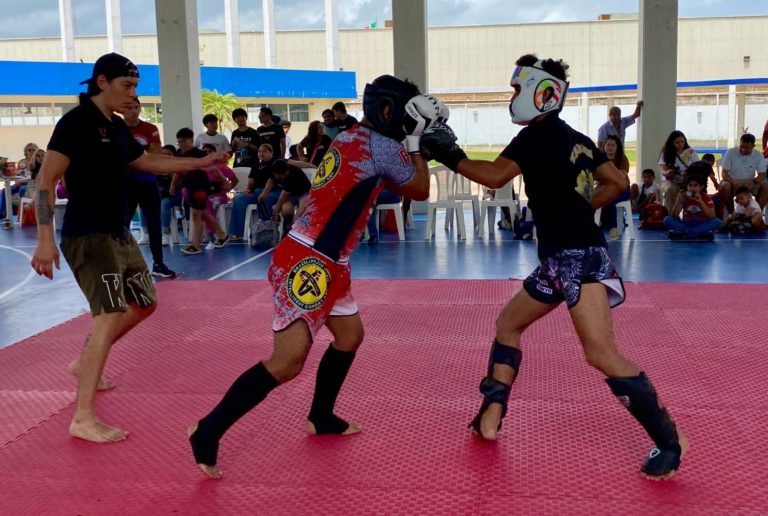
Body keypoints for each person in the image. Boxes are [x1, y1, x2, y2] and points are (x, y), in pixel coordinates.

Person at [420, 54, 687, 480]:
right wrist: (581, 207)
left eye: (516, 88)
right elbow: (618, 182)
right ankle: (491, 415)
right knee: (508, 324)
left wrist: (449, 154)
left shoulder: (535, 136)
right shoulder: (578, 139)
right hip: (559, 261)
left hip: (576, 257)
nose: (512, 96)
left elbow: (494, 176)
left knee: (600, 354)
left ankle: (670, 441)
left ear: (541, 93)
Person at [188, 75, 437, 479]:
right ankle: (208, 430)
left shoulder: (349, 137)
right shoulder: (382, 147)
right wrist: (418, 143)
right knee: (286, 363)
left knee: (350, 336)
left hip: (328, 259)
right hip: (309, 261)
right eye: (408, 115)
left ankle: (320, 416)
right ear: (389, 112)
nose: (409, 123)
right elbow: (421, 189)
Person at [29, 52, 229, 444]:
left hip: (118, 233)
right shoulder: (76, 123)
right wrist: (44, 239)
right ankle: (83, 418)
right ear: (102, 82)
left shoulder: (116, 126)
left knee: (145, 302)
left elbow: (147, 162)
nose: (133, 94)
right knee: (108, 314)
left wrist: (199, 163)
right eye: (127, 85)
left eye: (135, 86)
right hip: (89, 237)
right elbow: (45, 181)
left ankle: (85, 361)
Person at [122, 97, 175, 279]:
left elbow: (155, 154)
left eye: (136, 107)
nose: (133, 111)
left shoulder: (150, 129)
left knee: (154, 224)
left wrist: (135, 157)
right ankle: (121, 264)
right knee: (123, 224)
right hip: (126, 184)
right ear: (123, 109)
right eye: (129, 107)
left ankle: (158, 263)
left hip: (147, 182)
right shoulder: (116, 129)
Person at [228, 143, 279, 240]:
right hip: (256, 192)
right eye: (259, 151)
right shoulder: (255, 166)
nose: (261, 153)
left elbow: (293, 164)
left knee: (265, 199)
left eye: (264, 151)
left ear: (271, 153)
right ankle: (238, 233)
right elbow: (251, 182)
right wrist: (248, 190)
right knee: (239, 200)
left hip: (272, 192)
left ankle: (265, 231)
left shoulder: (276, 163)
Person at [663, 165, 721, 240]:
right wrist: (678, 201)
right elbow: (674, 215)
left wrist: (701, 202)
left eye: (695, 185)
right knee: (667, 219)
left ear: (701, 187)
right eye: (690, 185)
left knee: (717, 222)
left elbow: (712, 217)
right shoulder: (684, 196)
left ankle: (685, 234)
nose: (692, 188)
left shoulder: (706, 198)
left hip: (701, 224)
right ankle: (698, 234)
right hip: (686, 224)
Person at [257, 159, 310, 236]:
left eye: (284, 174)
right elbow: (271, 180)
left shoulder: (294, 173)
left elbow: (283, 196)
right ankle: (287, 227)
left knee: (302, 209)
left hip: (303, 193)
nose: (285, 174)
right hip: (291, 195)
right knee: (286, 209)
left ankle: (295, 229)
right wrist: (264, 193)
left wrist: (276, 212)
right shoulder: (275, 169)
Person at [719, 133, 768, 215]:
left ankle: (755, 214)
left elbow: (762, 176)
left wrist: (753, 182)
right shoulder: (731, 152)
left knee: (766, 186)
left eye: (747, 148)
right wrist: (734, 182)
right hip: (732, 181)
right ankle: (733, 215)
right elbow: (724, 174)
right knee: (725, 186)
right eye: (741, 146)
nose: (743, 150)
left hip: (750, 182)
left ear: (753, 146)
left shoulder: (758, 155)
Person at [659, 130, 699, 214]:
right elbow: (662, 169)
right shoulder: (666, 153)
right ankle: (671, 215)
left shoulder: (690, 152)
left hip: (688, 183)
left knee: (691, 193)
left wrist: (689, 174)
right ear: (672, 143)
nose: (680, 144)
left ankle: (690, 214)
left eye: (682, 142)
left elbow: (698, 167)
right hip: (671, 182)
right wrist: (668, 173)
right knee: (670, 189)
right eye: (677, 142)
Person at [600, 135, 631, 240]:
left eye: (613, 145)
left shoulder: (622, 159)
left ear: (617, 147)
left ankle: (613, 227)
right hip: (605, 189)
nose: (610, 148)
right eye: (608, 145)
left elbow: (620, 177)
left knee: (611, 196)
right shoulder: (600, 159)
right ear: (604, 146)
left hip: (623, 190)